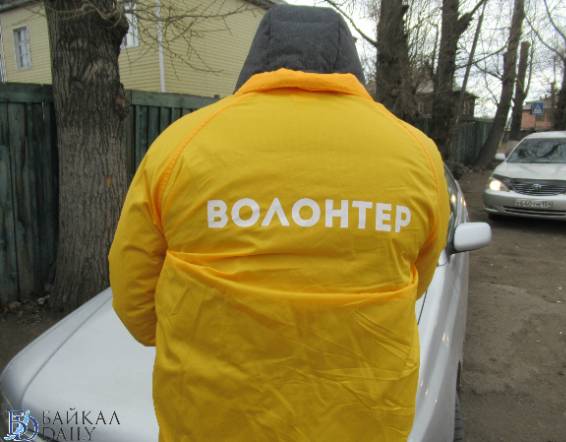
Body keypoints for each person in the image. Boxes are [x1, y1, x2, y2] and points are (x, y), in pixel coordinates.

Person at [109, 5, 450, 442]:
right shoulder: (417, 154)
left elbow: (132, 293)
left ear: (255, 60)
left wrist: (190, 340)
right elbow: (416, 280)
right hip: (362, 421)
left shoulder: (181, 145)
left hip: (212, 420)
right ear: (351, 64)